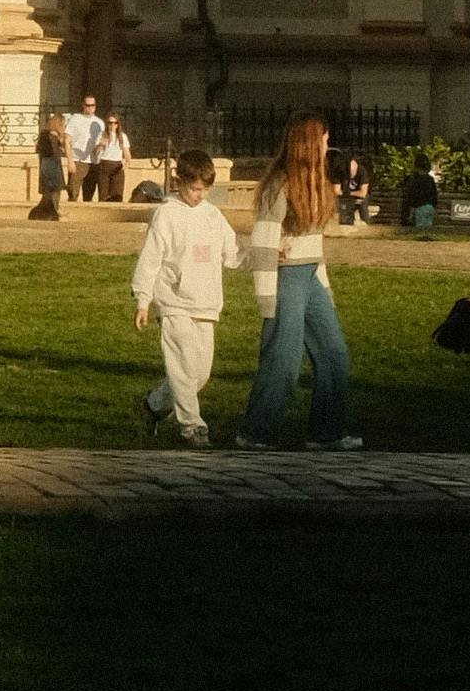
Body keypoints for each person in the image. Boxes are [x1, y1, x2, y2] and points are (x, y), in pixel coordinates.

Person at [242, 114, 357, 448]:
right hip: (287, 279)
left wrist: (325, 290)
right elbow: (264, 242)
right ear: (308, 143)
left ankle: (327, 434)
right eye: (323, 139)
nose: (327, 144)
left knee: (334, 354)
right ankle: (254, 434)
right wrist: (267, 300)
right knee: (284, 361)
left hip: (310, 277)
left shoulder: (317, 183)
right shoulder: (279, 185)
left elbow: (315, 244)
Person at [129, 146, 232, 442]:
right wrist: (143, 299)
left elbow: (233, 251)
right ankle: (192, 426)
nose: (200, 195)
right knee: (183, 367)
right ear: (179, 182)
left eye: (205, 190)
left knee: (199, 373)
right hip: (173, 301)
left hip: (206, 302)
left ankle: (153, 406)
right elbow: (150, 259)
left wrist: (264, 257)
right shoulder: (166, 214)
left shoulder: (213, 216)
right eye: (195, 189)